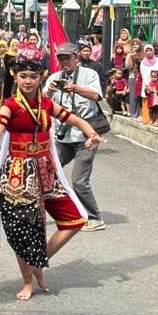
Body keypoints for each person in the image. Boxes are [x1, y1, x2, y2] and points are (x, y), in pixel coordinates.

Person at [0, 45, 98, 300]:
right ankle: (27, 281)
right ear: (15, 76)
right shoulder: (10, 106)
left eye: (33, 76)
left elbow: (73, 119)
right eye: (23, 76)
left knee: (75, 218)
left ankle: (37, 263)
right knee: (22, 232)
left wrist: (91, 133)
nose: (28, 81)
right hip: (18, 175)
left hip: (46, 171)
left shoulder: (46, 103)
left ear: (42, 76)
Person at [45, 42, 106, 231]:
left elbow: (97, 96)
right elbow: (43, 100)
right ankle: (65, 210)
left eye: (68, 58)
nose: (64, 62)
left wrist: (75, 88)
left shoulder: (89, 74)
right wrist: (51, 91)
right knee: (47, 171)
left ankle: (95, 218)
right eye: (61, 59)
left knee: (79, 180)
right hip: (63, 135)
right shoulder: (54, 77)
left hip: (86, 134)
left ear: (77, 58)